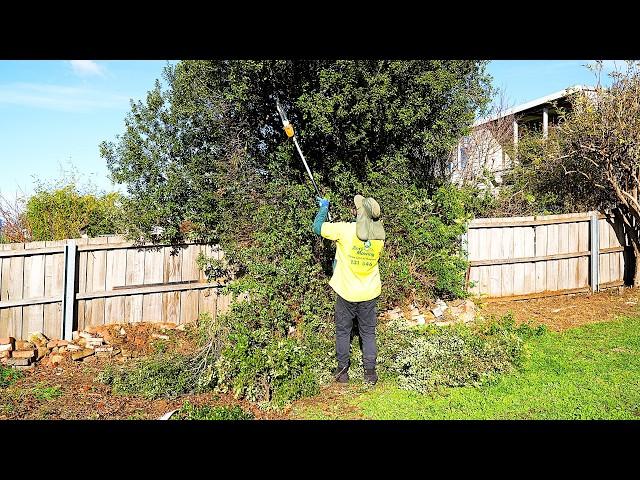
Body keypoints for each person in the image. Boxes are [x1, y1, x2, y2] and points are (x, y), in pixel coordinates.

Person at [313, 195, 385, 384]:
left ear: (359, 212)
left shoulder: (345, 229)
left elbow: (317, 227)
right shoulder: (379, 236)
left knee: (343, 332)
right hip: (369, 292)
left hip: (346, 292)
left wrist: (323, 207)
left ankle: (342, 373)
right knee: (368, 333)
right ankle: (370, 374)